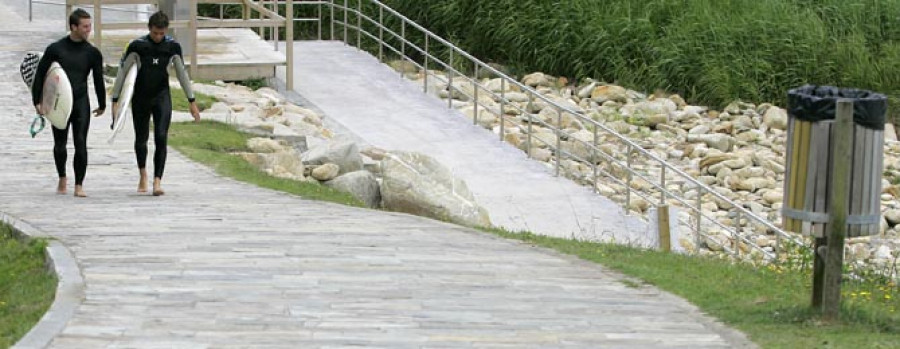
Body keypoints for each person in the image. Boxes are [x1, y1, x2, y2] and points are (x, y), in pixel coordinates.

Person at [111, 11, 200, 196]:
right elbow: (122, 72)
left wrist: (191, 101)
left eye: (161, 33)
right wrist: (115, 100)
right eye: (155, 33)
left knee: (161, 137)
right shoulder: (137, 46)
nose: (158, 37)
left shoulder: (172, 47)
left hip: (161, 96)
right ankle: (143, 174)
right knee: (141, 138)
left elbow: (182, 74)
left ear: (166, 31)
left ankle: (157, 181)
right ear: (149, 29)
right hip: (140, 97)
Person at [32, 8, 106, 198]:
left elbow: (98, 80)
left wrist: (103, 103)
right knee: (60, 144)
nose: (88, 30)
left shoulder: (92, 53)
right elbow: (40, 75)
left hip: (81, 101)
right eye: (85, 26)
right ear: (73, 27)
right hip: (58, 102)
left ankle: (79, 185)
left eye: (90, 26)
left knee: (81, 142)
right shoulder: (56, 49)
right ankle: (62, 177)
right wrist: (37, 101)